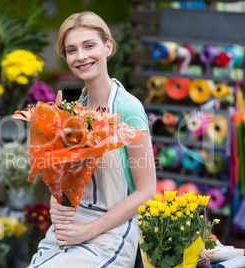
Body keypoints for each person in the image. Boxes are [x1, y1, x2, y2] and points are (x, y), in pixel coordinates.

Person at [28, 11, 156, 268]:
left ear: (108, 47)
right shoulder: (73, 111)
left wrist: (89, 231)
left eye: (89, 45)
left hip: (111, 233)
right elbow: (65, 178)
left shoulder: (128, 109)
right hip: (70, 229)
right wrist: (56, 202)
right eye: (72, 50)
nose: (81, 56)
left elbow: (146, 192)